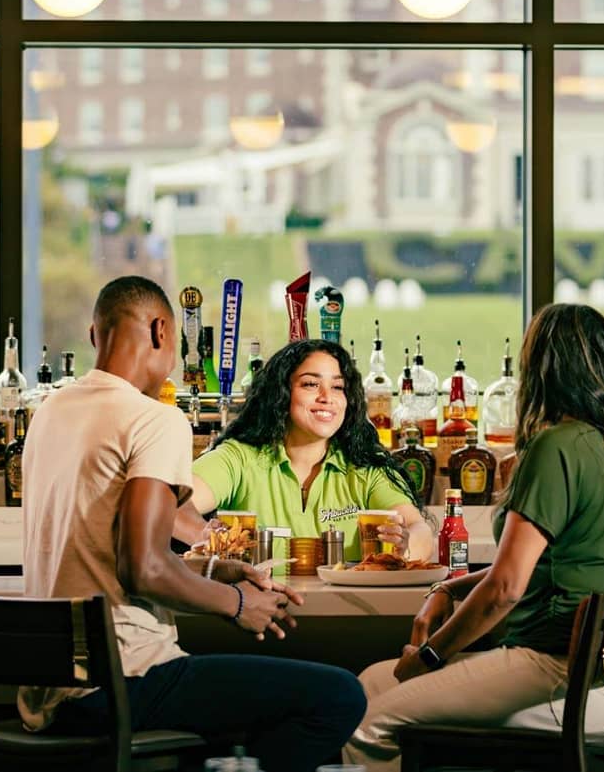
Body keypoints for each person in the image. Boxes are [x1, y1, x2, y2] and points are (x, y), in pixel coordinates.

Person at [20, 275, 365, 772]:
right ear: (162, 330)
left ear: (95, 336)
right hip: (125, 680)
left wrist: (213, 570)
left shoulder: (51, 412)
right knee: (339, 696)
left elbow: (112, 543)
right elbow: (142, 568)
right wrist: (238, 604)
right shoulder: (154, 420)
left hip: (51, 689)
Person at [343, 303, 604, 772]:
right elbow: (534, 567)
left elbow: (506, 589)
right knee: (371, 684)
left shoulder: (555, 447)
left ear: (542, 369)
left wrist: (431, 655)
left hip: (559, 676)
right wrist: (447, 588)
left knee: (366, 723)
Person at [180, 338, 434, 564]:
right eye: (311, 384)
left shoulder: (367, 468)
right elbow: (169, 501)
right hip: (255, 609)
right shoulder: (239, 458)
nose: (327, 397)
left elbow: (418, 529)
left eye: (338, 387)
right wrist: (203, 535)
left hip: (351, 613)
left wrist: (404, 548)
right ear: (281, 393)